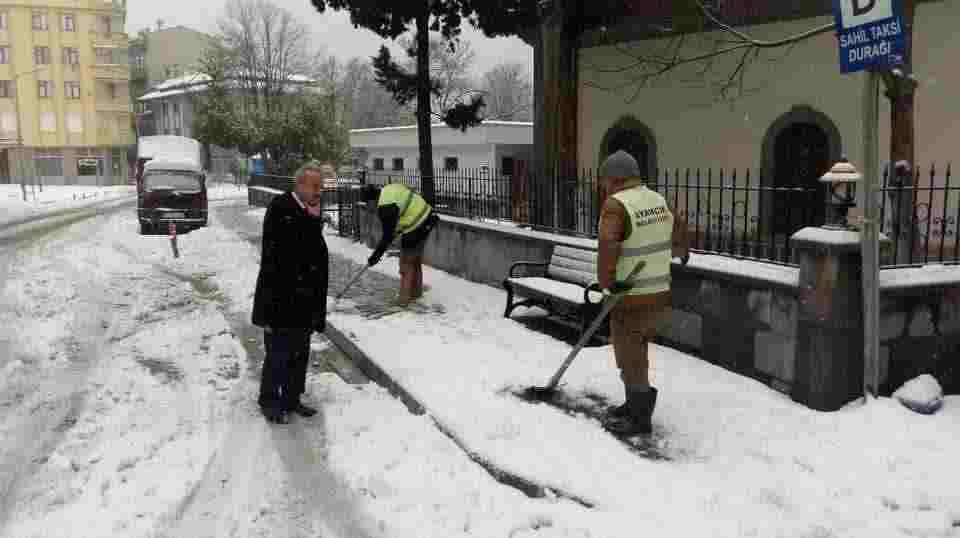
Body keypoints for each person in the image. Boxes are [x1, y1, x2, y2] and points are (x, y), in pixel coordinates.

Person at [596, 150, 689, 436]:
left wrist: (607, 283)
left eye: (604, 180)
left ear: (614, 178)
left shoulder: (616, 205)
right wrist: (682, 253)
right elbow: (679, 234)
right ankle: (633, 404)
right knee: (638, 351)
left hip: (629, 296)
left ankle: (639, 418)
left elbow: (608, 245)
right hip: (659, 292)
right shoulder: (657, 200)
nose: (603, 185)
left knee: (628, 353)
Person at [252, 160, 330, 424]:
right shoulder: (281, 208)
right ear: (299, 185)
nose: (319, 191)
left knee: (300, 354)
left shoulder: (309, 210)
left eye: (321, 186)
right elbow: (287, 252)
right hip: (281, 299)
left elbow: (313, 253)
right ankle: (271, 402)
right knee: (278, 354)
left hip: (305, 300)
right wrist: (312, 220)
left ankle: (293, 398)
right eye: (315, 186)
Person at [363, 182, 440, 306]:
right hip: (427, 216)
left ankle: (403, 301)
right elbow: (394, 227)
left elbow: (387, 236)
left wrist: (375, 256)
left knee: (405, 264)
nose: (369, 208)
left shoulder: (385, 206)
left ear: (372, 200)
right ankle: (416, 293)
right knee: (414, 260)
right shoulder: (387, 190)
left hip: (417, 224)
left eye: (368, 204)